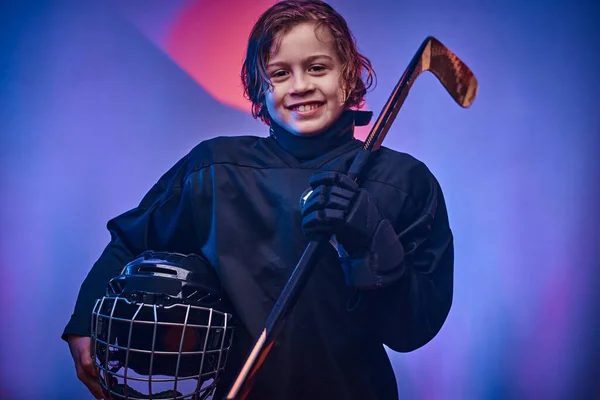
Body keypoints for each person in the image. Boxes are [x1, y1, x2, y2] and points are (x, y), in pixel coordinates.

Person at [63, 1, 454, 399]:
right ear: (259, 86)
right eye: (280, 73)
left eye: (317, 67)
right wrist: (82, 325)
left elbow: (413, 330)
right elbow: (132, 241)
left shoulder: (404, 181)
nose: (300, 85)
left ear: (349, 74)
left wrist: (372, 242)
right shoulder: (214, 169)